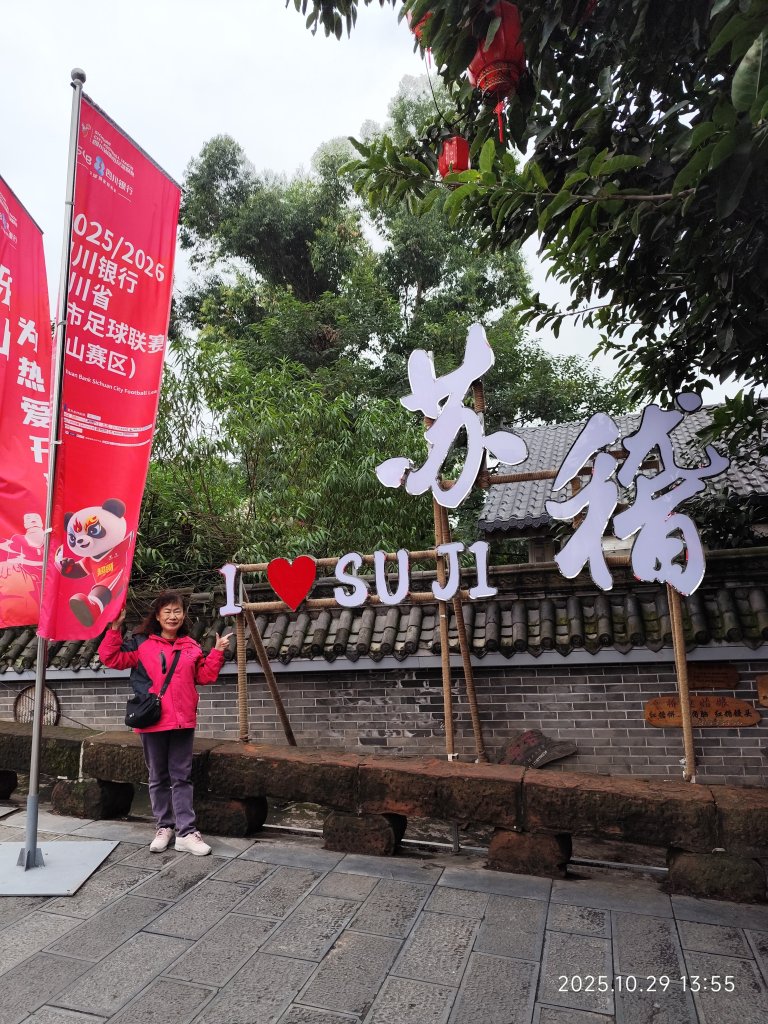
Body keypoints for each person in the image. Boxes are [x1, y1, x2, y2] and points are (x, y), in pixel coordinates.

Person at [98, 591, 231, 856]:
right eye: (167, 611)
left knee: (182, 777)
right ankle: (164, 826)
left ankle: (186, 832)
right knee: (157, 777)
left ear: (184, 615)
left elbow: (204, 676)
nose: (173, 616)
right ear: (157, 616)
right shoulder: (141, 644)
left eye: (177, 611)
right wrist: (114, 629)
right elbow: (111, 658)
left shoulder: (191, 646)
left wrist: (216, 652)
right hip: (153, 720)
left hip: (183, 722)